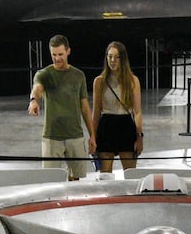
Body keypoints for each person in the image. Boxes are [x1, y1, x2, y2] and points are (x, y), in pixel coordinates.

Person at [28, 34, 93, 181]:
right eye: (54, 55)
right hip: (52, 136)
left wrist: (92, 135)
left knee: (76, 179)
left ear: (68, 51)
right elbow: (37, 88)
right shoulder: (44, 74)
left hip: (75, 135)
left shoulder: (78, 75)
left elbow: (85, 107)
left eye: (60, 54)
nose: (57, 58)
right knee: (51, 180)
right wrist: (34, 100)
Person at [90, 40, 143, 174]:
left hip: (126, 125)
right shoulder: (99, 82)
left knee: (130, 173)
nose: (112, 60)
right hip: (106, 126)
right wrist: (92, 136)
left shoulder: (132, 81)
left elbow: (137, 112)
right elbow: (96, 112)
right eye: (110, 56)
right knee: (105, 175)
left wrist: (139, 136)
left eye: (116, 57)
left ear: (122, 59)